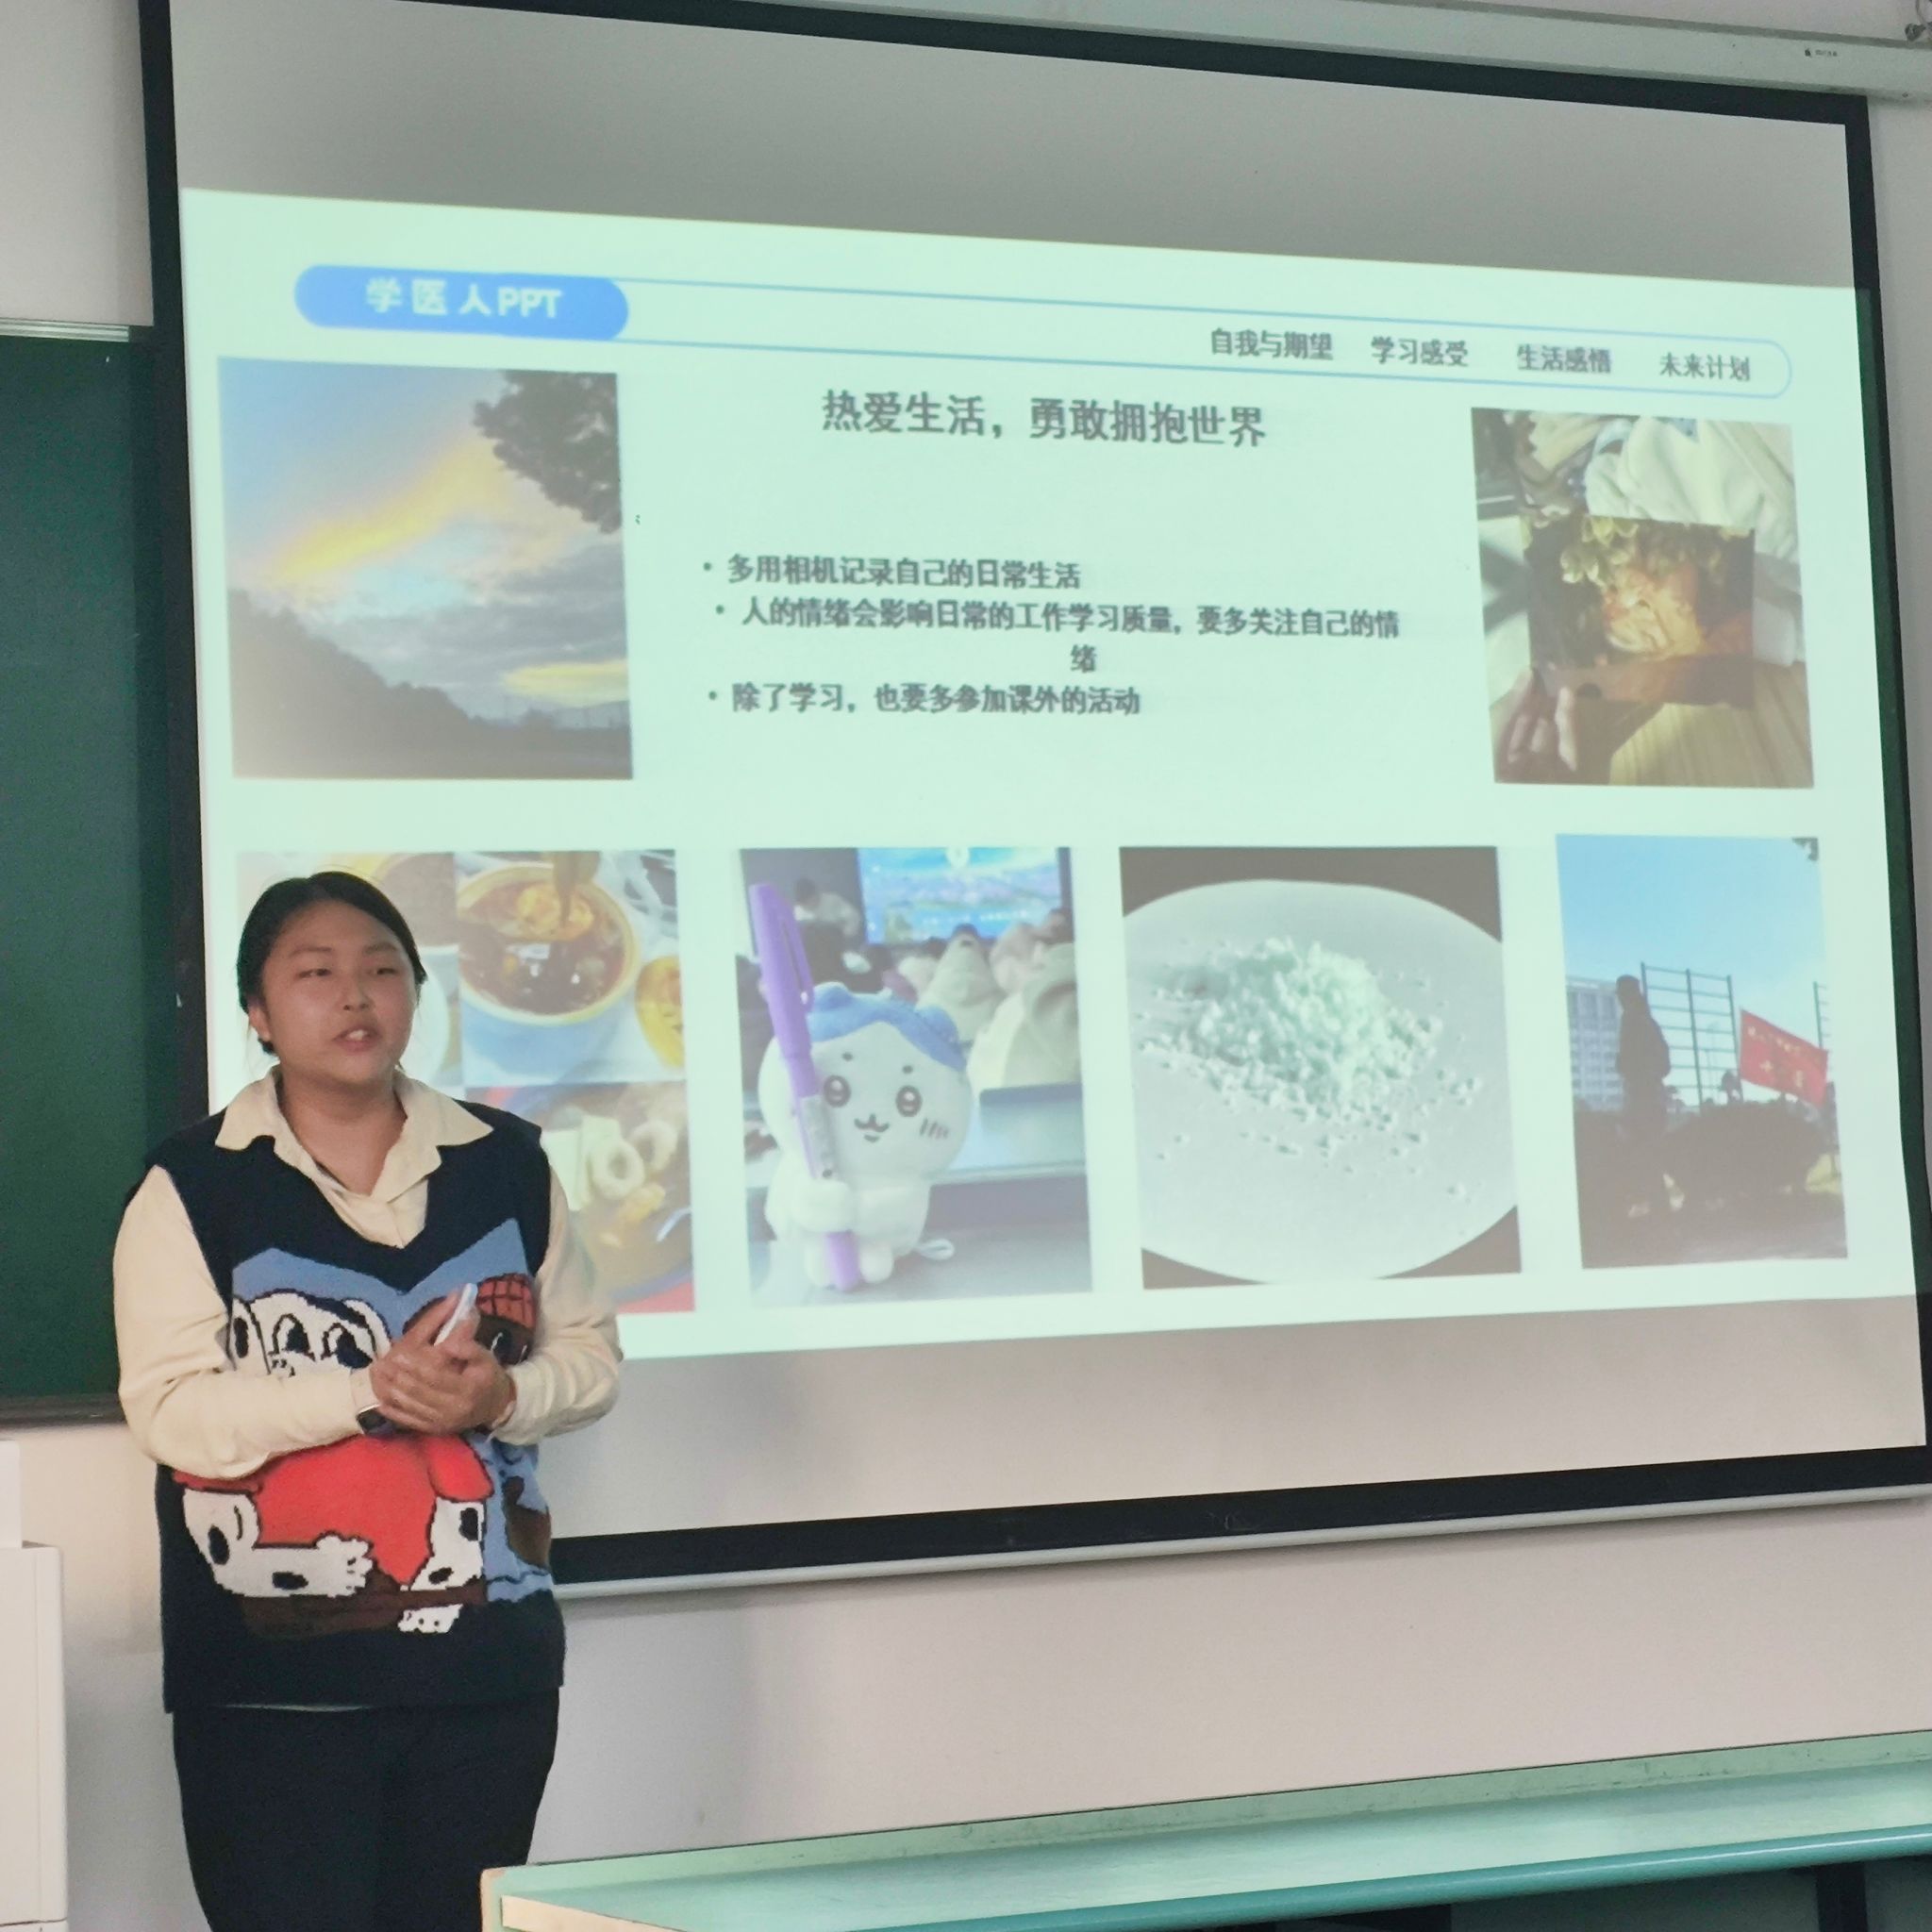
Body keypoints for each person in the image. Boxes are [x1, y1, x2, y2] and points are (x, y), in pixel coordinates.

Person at [112, 873, 620, 1932]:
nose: (355, 996)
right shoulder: (192, 1184)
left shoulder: (508, 1164)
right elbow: (171, 1412)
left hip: (486, 1676)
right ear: (257, 1011)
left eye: (383, 969)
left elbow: (591, 1362)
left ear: (416, 993)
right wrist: (362, 1392)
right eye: (316, 974)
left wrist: (502, 1393)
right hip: (270, 1687)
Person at [1615, 974, 1673, 1217]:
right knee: (1650, 1156)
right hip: (1653, 1098)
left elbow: (1626, 1062)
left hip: (1641, 1098)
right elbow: (1665, 1064)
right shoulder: (1649, 1021)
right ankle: (1659, 1210)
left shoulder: (1631, 1020)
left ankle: (1653, 1210)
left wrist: (1627, 1066)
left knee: (1639, 1154)